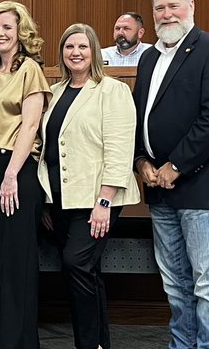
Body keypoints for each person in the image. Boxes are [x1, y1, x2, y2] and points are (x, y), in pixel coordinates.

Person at [132, 0, 209, 349]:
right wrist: (141, 160)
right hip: (160, 191)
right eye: (160, 8)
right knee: (175, 283)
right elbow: (139, 116)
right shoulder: (148, 57)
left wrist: (175, 165)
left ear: (191, 7)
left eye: (174, 6)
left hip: (201, 188)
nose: (167, 14)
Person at [38, 23, 140, 349]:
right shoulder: (53, 93)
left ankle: (89, 344)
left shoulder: (113, 90)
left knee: (76, 263)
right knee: (87, 271)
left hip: (96, 199)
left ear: (94, 51)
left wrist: (105, 201)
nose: (76, 53)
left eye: (82, 47)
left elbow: (120, 148)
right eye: (69, 47)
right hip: (59, 198)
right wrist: (43, 201)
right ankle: (98, 344)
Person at [0, 0, 51, 348]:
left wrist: (11, 175)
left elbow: (30, 125)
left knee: (15, 266)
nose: (0, 33)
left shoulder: (29, 69)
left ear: (21, 33)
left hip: (17, 171)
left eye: (8, 27)